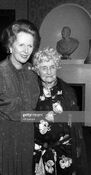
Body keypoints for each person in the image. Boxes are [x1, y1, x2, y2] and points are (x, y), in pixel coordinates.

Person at [0, 19, 41, 175]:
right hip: (4, 138)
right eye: (21, 45)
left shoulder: (33, 72)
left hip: (27, 136)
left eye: (30, 45)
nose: (26, 50)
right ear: (10, 46)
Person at [32, 47, 88, 175]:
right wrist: (45, 116)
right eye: (44, 67)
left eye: (52, 67)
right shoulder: (31, 92)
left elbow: (76, 120)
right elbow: (24, 117)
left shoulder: (68, 91)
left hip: (65, 152)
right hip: (39, 152)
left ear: (57, 67)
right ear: (37, 70)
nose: (49, 71)